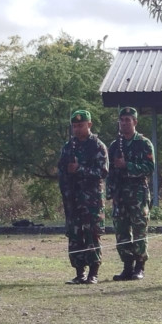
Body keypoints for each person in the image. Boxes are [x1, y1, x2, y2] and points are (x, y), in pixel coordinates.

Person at [58, 109, 109, 285]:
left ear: (89, 125)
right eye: (74, 126)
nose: (77, 129)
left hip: (91, 200)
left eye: (80, 125)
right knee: (75, 235)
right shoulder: (68, 147)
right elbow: (61, 171)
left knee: (92, 234)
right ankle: (79, 272)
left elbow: (102, 172)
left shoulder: (97, 146)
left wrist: (80, 169)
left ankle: (93, 273)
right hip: (73, 199)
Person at [107, 107, 155, 281]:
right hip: (120, 194)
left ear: (135, 122)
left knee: (139, 230)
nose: (124, 123)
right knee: (121, 231)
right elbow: (110, 171)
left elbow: (149, 168)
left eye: (128, 120)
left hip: (138, 194)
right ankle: (127, 266)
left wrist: (127, 165)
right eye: (122, 120)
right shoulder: (115, 145)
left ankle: (139, 266)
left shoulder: (144, 143)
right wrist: (110, 192)